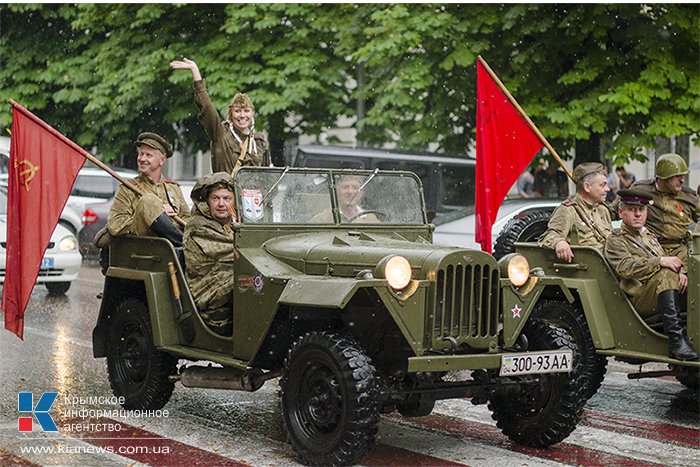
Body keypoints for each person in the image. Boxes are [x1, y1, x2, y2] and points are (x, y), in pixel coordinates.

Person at [604, 189, 698, 361]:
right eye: (632, 210)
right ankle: (677, 342)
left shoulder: (649, 236)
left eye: (642, 210)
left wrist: (682, 273)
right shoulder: (616, 240)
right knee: (666, 273)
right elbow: (625, 268)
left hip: (659, 292)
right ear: (620, 212)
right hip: (639, 297)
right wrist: (660, 262)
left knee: (693, 277)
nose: (638, 214)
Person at [170, 58, 271, 174]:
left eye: (246, 111)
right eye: (237, 111)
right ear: (231, 114)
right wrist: (195, 72)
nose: (242, 115)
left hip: (254, 192)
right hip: (226, 191)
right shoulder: (221, 133)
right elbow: (207, 108)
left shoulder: (259, 142)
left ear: (252, 113)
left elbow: (268, 177)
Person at [107, 132, 190, 246]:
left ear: (162, 160)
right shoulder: (127, 189)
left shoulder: (174, 189)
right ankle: (185, 244)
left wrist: (167, 220)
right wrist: (149, 216)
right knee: (148, 201)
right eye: (141, 154)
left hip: (170, 252)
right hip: (143, 248)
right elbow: (115, 225)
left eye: (148, 155)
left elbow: (188, 221)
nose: (142, 159)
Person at [183, 172, 237, 337]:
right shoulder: (198, 226)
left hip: (225, 284)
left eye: (227, 199)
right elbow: (232, 250)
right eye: (215, 199)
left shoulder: (234, 223)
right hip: (207, 291)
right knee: (255, 281)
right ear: (207, 202)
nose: (221, 204)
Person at [631, 153, 699, 270]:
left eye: (683, 176)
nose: (682, 180)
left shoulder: (689, 197)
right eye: (677, 176)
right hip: (650, 248)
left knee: (693, 277)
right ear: (663, 177)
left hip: (681, 249)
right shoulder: (641, 190)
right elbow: (617, 210)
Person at [538, 162, 612, 262]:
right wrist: (559, 242)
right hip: (588, 269)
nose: (608, 189)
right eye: (602, 185)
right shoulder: (568, 210)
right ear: (587, 187)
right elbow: (551, 234)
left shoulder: (602, 210)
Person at [313, 174, 380, 223]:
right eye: (345, 187)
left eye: (355, 187)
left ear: (361, 193)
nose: (350, 192)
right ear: (337, 191)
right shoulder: (321, 219)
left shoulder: (371, 219)